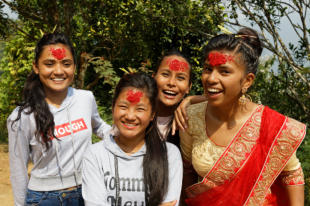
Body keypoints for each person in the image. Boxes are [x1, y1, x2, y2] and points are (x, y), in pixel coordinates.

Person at [177, 28, 306, 205]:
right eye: (208, 69)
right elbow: (187, 172)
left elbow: (291, 174)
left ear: (247, 81)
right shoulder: (191, 117)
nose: (211, 78)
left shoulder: (269, 125)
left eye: (224, 72)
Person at [7, 33, 111, 206]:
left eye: (66, 64)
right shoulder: (22, 116)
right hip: (44, 199)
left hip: (88, 192)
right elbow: (18, 171)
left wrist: (131, 136)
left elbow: (100, 127)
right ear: (36, 67)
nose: (58, 71)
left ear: (75, 67)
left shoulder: (85, 99)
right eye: (49, 64)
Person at [82, 73, 183, 206]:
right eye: (123, 107)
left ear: (152, 114)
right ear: (113, 108)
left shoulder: (169, 154)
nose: (130, 116)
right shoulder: (95, 154)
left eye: (140, 109)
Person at [153, 51, 192, 147]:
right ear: (153, 78)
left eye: (180, 78)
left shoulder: (190, 121)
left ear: (189, 87)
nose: (171, 83)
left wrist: (190, 100)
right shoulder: (137, 115)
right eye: (165, 74)